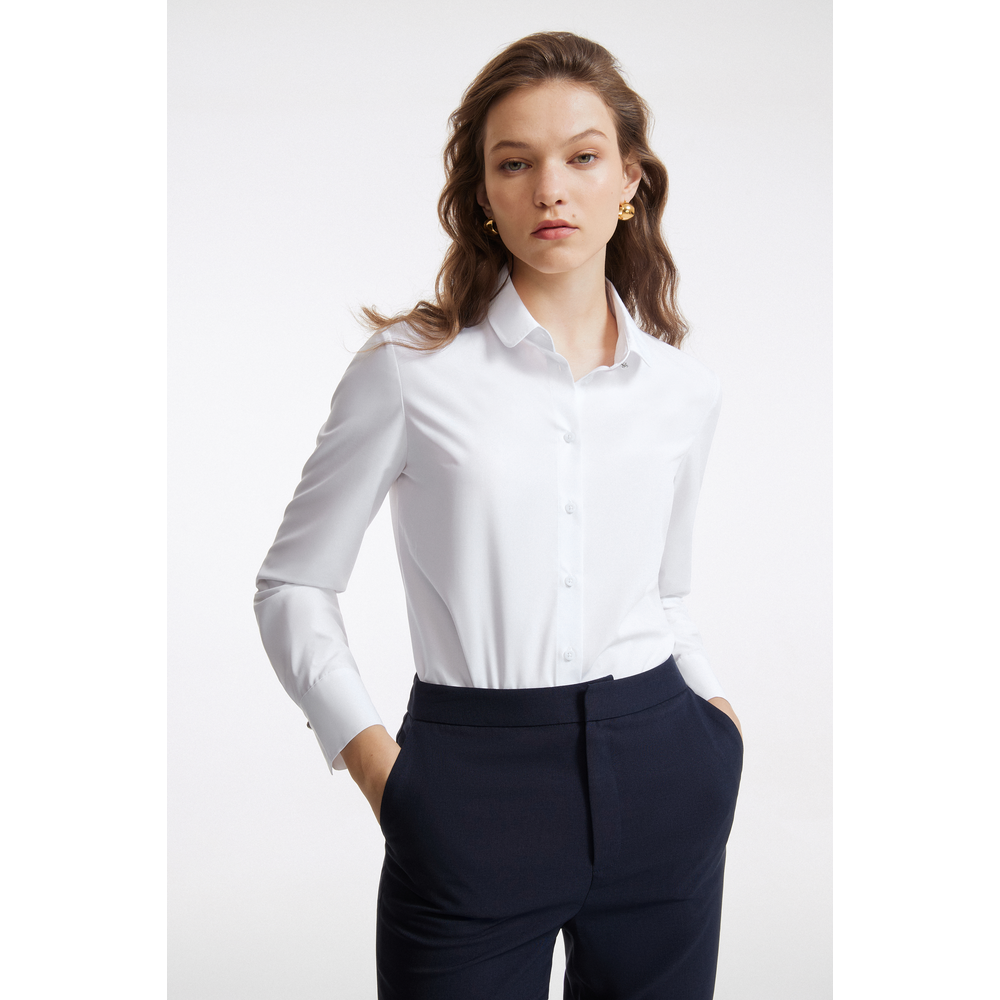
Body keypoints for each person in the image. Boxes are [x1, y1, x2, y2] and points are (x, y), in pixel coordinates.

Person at [254, 31, 742, 1000]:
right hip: (470, 789)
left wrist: (714, 725)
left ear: (630, 179)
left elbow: (666, 592)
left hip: (665, 776)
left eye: (582, 157)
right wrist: (382, 772)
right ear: (481, 191)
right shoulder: (409, 370)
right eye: (515, 163)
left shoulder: (682, 392)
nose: (550, 189)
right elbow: (293, 583)